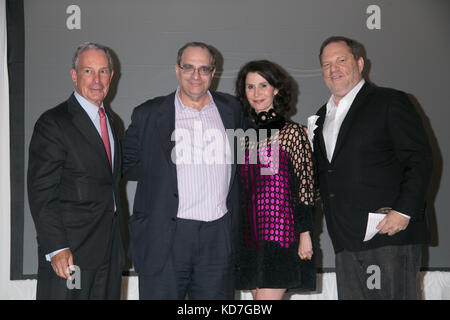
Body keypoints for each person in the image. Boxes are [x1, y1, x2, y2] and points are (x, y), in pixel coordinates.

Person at [311, 36, 432, 299]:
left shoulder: (389, 101)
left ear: (360, 63)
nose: (334, 69)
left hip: (389, 234)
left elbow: (419, 159)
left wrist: (404, 211)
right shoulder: (319, 118)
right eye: (326, 64)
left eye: (341, 60)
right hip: (345, 240)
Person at [122, 42, 245, 299]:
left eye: (203, 69)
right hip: (166, 237)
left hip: (217, 238)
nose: (195, 76)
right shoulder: (149, 114)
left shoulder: (232, 110)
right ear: (177, 70)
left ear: (214, 73)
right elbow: (123, 165)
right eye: (188, 67)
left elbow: (250, 157)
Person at [27, 43, 125, 299]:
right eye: (88, 71)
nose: (96, 80)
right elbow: (41, 193)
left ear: (111, 77)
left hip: (109, 252)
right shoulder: (54, 123)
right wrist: (57, 247)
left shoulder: (112, 123)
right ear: (74, 75)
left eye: (103, 72)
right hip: (71, 255)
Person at [234, 60, 316, 300]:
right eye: (250, 87)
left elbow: (306, 186)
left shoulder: (294, 133)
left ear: (276, 90)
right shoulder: (243, 138)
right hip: (249, 237)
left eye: (263, 85)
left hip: (281, 235)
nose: (256, 93)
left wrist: (305, 233)